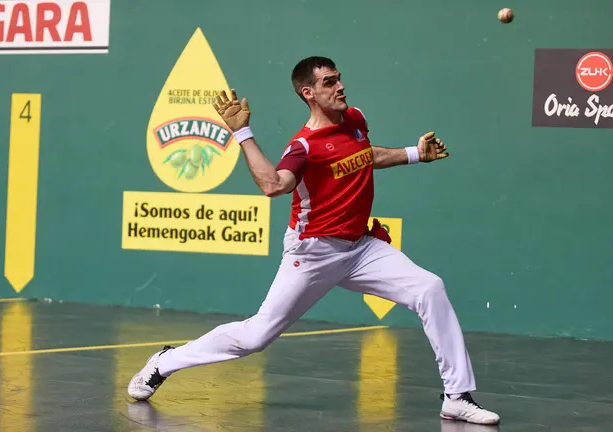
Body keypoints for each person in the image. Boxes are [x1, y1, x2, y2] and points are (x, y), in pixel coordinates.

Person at [127, 56, 500, 425]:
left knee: (430, 288)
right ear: (308, 93)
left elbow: (363, 156)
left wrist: (415, 154)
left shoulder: (355, 119)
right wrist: (242, 133)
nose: (340, 86)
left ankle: (456, 396)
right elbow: (274, 185)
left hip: (361, 247)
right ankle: (165, 362)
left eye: (339, 78)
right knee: (256, 336)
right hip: (313, 253)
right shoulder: (303, 147)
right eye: (329, 82)